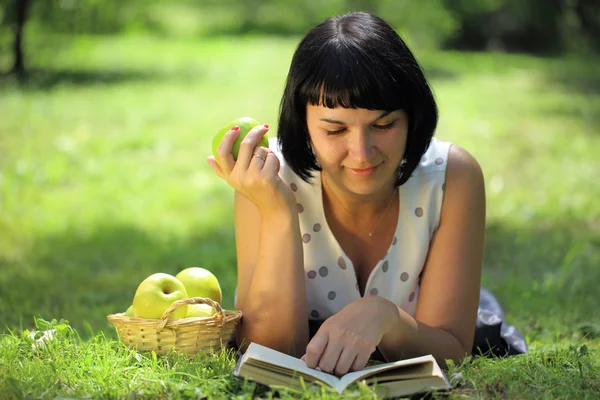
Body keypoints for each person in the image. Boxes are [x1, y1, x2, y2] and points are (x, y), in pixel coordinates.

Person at [207, 11, 525, 377]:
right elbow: (269, 354)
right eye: (335, 129)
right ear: (304, 124)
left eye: (384, 124)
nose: (362, 152)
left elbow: (453, 350)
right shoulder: (265, 178)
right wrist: (278, 212)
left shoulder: (452, 177)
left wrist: (383, 316)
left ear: (411, 117)